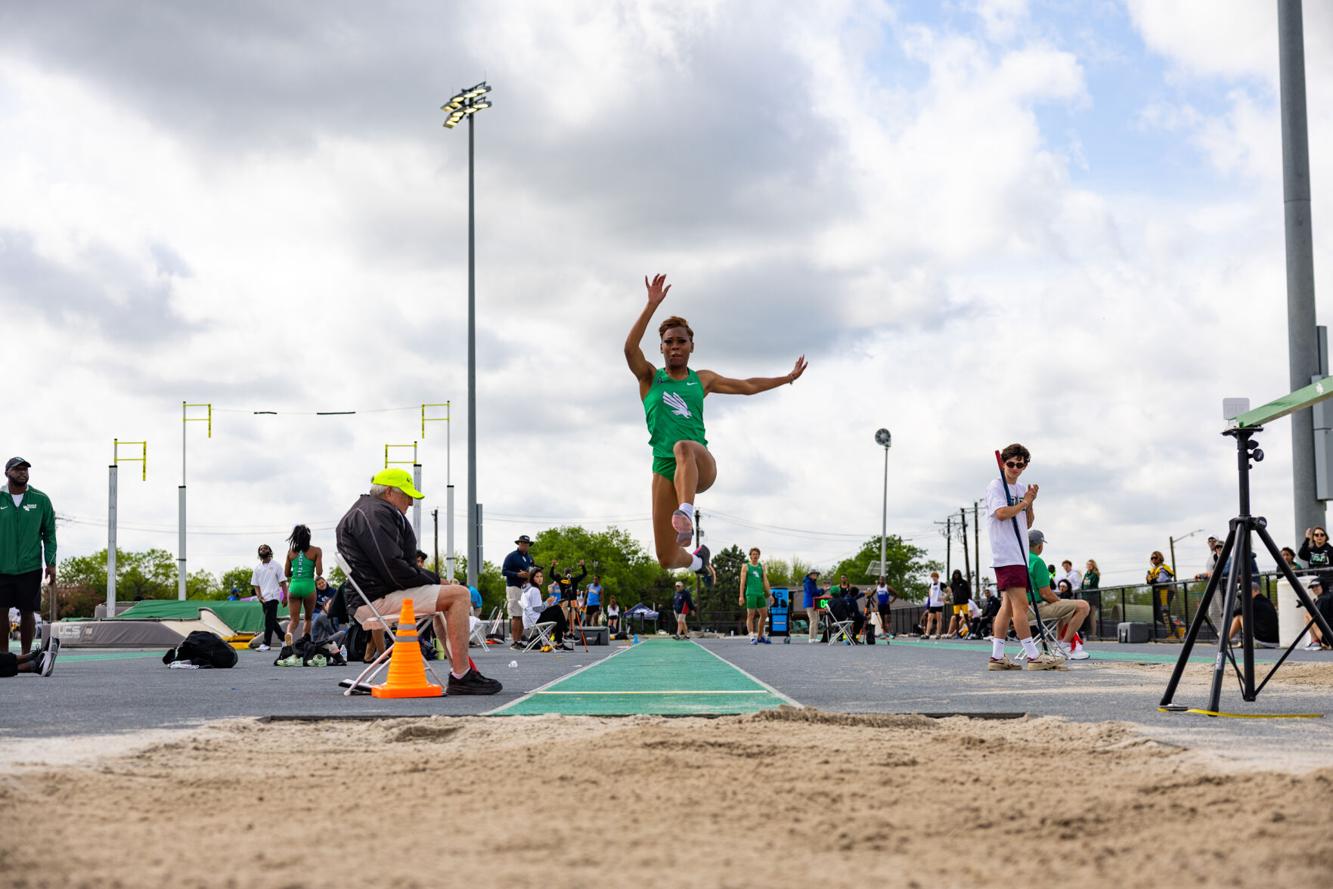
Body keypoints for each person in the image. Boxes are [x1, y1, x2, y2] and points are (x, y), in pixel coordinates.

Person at [624, 273, 807, 584]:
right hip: (663, 468)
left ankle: (685, 512)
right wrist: (651, 305)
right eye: (669, 342)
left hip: (699, 462)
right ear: (661, 348)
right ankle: (699, 563)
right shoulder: (649, 378)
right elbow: (630, 349)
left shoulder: (702, 379)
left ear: (692, 346)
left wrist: (786, 378)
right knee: (666, 559)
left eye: (681, 341)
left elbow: (747, 385)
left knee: (682, 446)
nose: (675, 347)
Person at [335, 468, 501, 694]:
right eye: (407, 495)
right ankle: (462, 675)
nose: (411, 503)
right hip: (376, 599)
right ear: (390, 492)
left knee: (445, 598)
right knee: (459, 594)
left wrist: (432, 581)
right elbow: (394, 569)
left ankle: (461, 672)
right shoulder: (375, 514)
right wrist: (436, 579)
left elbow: (391, 566)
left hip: (373, 595)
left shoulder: (369, 511)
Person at [985, 443, 1064, 671]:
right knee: (1021, 604)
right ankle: (1033, 656)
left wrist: (1030, 502)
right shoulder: (996, 486)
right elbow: (1001, 513)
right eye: (1011, 464)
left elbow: (1026, 523)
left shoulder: (1019, 488)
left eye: (1020, 464)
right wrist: (1024, 502)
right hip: (1006, 553)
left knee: (1008, 607)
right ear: (1003, 463)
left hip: (1019, 554)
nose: (1015, 468)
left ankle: (997, 657)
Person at [0, 457, 57, 655]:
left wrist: (51, 563)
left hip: (30, 567)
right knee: (1, 612)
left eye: (25, 469)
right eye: (17, 469)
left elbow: (49, 533)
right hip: (2, 567)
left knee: (27, 612)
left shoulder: (40, 499)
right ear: (7, 473)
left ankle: (25, 655)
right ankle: (4, 656)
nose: (22, 472)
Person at [1028, 531, 1089, 660]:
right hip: (1034, 610)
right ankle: (1064, 647)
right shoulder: (1037, 561)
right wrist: (1058, 600)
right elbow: (1045, 594)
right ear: (1039, 546)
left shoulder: (1018, 559)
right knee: (1083, 606)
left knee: (1066, 608)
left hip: (1019, 612)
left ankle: (1059, 645)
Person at [282, 524, 322, 650]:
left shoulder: (290, 552)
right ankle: (305, 643)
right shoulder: (316, 550)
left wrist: (296, 572)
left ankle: (289, 635)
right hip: (308, 586)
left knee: (293, 620)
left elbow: (286, 573)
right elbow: (319, 572)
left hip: (294, 586)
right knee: (308, 618)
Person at [518, 567, 571, 651]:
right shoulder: (534, 590)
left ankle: (561, 639)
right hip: (535, 619)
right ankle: (565, 635)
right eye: (537, 577)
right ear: (532, 578)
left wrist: (547, 604)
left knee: (557, 613)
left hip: (530, 619)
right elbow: (537, 609)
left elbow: (536, 607)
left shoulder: (527, 589)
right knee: (557, 609)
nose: (540, 579)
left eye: (541, 576)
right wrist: (547, 602)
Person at [250, 544, 288, 651]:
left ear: (270, 551)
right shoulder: (257, 568)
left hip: (273, 597)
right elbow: (255, 585)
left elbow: (283, 582)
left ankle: (266, 644)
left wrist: (285, 597)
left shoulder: (276, 565)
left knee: (268, 621)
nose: (263, 550)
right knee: (272, 621)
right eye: (261, 549)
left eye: (265, 548)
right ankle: (284, 639)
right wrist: (259, 596)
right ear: (259, 552)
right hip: (263, 599)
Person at [501, 535, 536, 649]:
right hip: (514, 587)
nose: (524, 545)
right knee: (516, 615)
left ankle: (519, 640)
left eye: (526, 544)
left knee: (522, 614)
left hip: (525, 588)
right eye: (522, 543)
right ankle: (514, 641)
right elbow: (504, 571)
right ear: (518, 544)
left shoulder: (529, 558)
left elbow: (532, 570)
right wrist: (517, 574)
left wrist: (530, 574)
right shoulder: (511, 556)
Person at [1227, 581, 1278, 648]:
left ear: (1253, 590)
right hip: (1275, 642)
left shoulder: (1252, 603)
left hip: (1261, 642)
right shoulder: (1268, 602)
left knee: (1238, 617)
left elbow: (1232, 614)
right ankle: (1229, 640)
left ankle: (1225, 641)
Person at [740, 547, 772, 644]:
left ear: (759, 556)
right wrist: (741, 596)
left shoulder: (761, 567)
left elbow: (765, 581)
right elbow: (742, 582)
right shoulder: (746, 566)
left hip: (760, 593)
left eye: (757, 554)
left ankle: (760, 636)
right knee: (751, 615)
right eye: (753, 554)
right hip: (751, 594)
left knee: (764, 614)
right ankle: (751, 637)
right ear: (750, 556)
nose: (755, 556)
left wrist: (770, 594)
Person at [1145, 550, 1178, 640]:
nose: (1153, 559)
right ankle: (1175, 628)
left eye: (1155, 557)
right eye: (1152, 558)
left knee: (1164, 612)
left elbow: (1162, 579)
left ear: (1160, 558)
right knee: (1157, 614)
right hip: (1159, 592)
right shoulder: (1153, 570)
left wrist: (1152, 580)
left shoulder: (1162, 568)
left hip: (1165, 591)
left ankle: (1172, 635)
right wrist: (1149, 579)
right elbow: (1149, 580)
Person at [945, 570, 969, 638]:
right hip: (958, 607)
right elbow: (950, 593)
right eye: (955, 574)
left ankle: (968, 632)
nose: (956, 575)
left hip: (966, 608)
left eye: (957, 574)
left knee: (964, 619)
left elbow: (968, 591)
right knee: (955, 618)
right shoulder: (953, 584)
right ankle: (952, 634)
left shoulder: (964, 583)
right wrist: (947, 599)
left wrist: (967, 598)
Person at [922, 571, 946, 638]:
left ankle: (938, 634)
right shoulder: (931, 585)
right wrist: (929, 603)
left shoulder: (941, 584)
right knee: (929, 619)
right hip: (932, 604)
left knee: (939, 619)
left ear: (937, 577)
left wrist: (944, 598)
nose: (933, 578)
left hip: (939, 604)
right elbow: (930, 594)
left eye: (935, 577)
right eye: (932, 577)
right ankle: (927, 634)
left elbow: (949, 591)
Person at [802, 569, 822, 643]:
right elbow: (813, 592)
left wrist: (822, 591)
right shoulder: (808, 582)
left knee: (816, 620)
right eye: (813, 574)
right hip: (810, 603)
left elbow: (816, 592)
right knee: (813, 620)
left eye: (816, 574)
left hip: (813, 602)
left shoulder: (812, 582)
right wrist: (822, 590)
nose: (815, 575)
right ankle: (811, 638)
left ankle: (814, 637)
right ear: (810, 575)